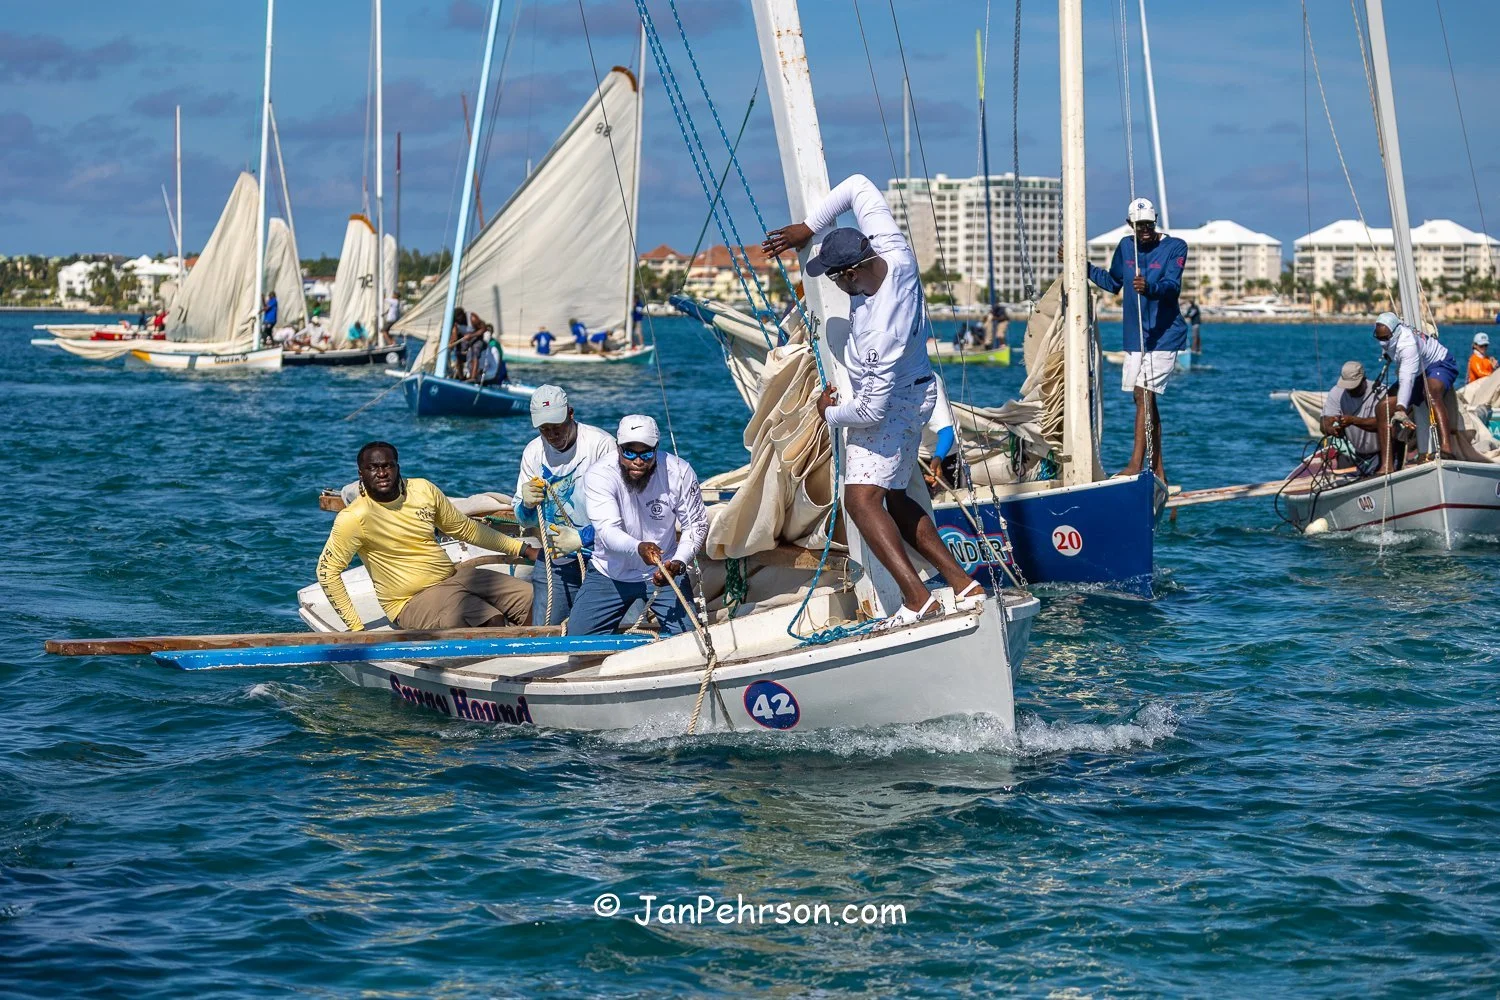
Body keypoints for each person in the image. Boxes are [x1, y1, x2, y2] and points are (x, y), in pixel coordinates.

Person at [763, 173, 985, 628]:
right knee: (898, 498)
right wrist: (810, 226)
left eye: (835, 279)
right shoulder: (893, 250)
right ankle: (963, 585)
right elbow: (858, 185)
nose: (836, 287)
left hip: (895, 404)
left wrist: (829, 411)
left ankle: (918, 599)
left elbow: (869, 411)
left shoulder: (879, 333)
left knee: (861, 502)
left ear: (852, 273)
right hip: (918, 391)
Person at [316, 442, 566, 631]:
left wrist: (525, 550)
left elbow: (465, 529)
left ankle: (534, 652)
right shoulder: (354, 518)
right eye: (373, 468)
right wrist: (357, 629)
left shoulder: (423, 490)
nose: (382, 473)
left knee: (536, 599)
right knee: (487, 617)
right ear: (361, 474)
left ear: (397, 467)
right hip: (409, 601)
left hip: (455, 575)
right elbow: (327, 572)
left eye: (388, 466)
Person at [566, 416, 709, 638]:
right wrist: (639, 547)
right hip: (609, 572)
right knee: (578, 640)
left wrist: (678, 563)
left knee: (689, 639)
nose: (638, 461)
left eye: (646, 453)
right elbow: (607, 531)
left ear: (657, 449)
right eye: (629, 452)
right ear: (618, 448)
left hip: (664, 569)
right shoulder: (599, 474)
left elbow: (696, 525)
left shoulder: (679, 471)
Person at [1084, 197, 1188, 480]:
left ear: (1155, 222)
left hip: (1164, 334)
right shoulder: (1125, 247)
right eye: (1138, 225)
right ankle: (1158, 468)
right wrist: (1082, 266)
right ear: (1130, 224)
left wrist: (1150, 287)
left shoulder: (1175, 246)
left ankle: (1135, 465)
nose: (1143, 230)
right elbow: (1113, 283)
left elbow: (1171, 286)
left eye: (1148, 224)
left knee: (1145, 394)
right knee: (1142, 398)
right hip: (1134, 336)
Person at [515, 386, 618, 626]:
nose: (552, 435)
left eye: (557, 426)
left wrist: (584, 537)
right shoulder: (533, 452)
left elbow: (621, 512)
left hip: (604, 559)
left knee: (614, 628)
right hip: (557, 561)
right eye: (544, 429)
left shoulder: (601, 445)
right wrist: (527, 504)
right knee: (547, 629)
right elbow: (524, 519)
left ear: (570, 414)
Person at [1373, 310, 1481, 464]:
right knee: (1382, 408)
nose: (1382, 342)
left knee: (1430, 393)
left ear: (1395, 333)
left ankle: (1446, 449)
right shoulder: (1390, 336)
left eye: (1385, 338)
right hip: (1418, 371)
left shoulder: (1407, 344)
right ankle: (1386, 466)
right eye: (1378, 338)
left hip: (1440, 363)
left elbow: (1406, 378)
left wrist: (1401, 408)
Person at [1319, 360, 1389, 470]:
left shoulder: (1380, 392)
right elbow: (1324, 422)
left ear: (1363, 379)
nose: (1351, 390)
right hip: (1356, 453)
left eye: (1354, 387)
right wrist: (1330, 428)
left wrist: (1353, 420)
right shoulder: (1336, 393)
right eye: (1348, 387)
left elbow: (1382, 424)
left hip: (1380, 453)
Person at [921, 377, 960, 494]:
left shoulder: (929, 381)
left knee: (948, 496)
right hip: (913, 452)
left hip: (944, 451)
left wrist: (937, 458)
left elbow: (947, 432)